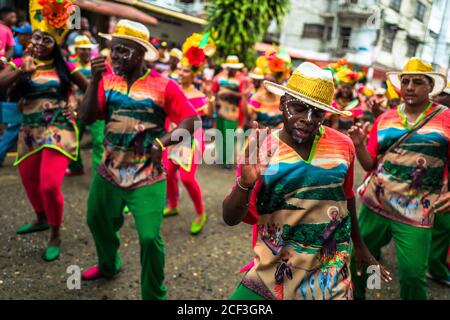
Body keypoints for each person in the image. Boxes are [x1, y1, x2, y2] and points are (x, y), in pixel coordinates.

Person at [223, 62, 390, 300]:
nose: (308, 119)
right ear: (282, 104)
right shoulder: (261, 149)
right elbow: (230, 217)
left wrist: (360, 247)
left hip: (330, 273)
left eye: (318, 113)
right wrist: (245, 183)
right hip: (273, 268)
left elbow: (347, 198)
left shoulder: (343, 146)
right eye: (298, 108)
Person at [78, 19, 200, 300]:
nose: (116, 56)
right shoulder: (106, 80)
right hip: (109, 170)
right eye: (114, 50)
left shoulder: (164, 86)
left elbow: (192, 120)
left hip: (148, 174)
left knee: (149, 238)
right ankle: (109, 265)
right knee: (97, 221)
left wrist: (164, 141)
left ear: (141, 54)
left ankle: (154, 295)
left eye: (124, 51)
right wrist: (94, 79)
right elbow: (87, 117)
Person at [348, 57, 450, 299]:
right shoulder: (385, 119)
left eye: (418, 82)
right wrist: (360, 145)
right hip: (376, 203)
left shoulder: (446, 119)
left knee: (413, 273)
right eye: (405, 82)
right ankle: (363, 296)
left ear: (431, 87)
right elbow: (370, 164)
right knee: (361, 261)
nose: (410, 87)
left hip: (417, 209)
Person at [0, 0, 88, 261]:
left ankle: (55, 233)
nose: (39, 42)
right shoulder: (20, 62)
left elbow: (91, 88)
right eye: (37, 37)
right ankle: (40, 217)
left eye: (46, 40)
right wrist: (20, 72)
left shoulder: (65, 68)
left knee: (49, 185)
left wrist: (77, 105)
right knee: (29, 182)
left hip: (58, 129)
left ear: (56, 45)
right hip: (30, 130)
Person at [162, 34, 213, 235]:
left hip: (192, 138)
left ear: (194, 74)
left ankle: (200, 213)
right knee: (167, 172)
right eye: (180, 69)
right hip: (173, 134)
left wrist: (211, 98)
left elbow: (207, 115)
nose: (181, 73)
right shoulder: (172, 89)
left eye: (186, 70)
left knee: (187, 178)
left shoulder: (200, 96)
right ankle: (173, 204)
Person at [427, 80, 450, 287]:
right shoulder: (434, 119)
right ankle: (434, 267)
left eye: (443, 94)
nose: (436, 97)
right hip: (438, 185)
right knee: (442, 226)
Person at [66, 35, 99, 176]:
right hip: (76, 106)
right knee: (74, 137)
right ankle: (76, 166)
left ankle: (100, 174)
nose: (85, 52)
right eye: (82, 49)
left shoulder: (96, 64)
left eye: (87, 49)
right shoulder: (71, 65)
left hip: (95, 105)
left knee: (98, 139)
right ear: (77, 50)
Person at [212, 55, 247, 169]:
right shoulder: (220, 76)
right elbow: (214, 91)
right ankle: (219, 158)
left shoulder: (241, 79)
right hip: (220, 110)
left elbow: (243, 95)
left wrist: (229, 92)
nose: (232, 70)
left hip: (232, 112)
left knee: (230, 137)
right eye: (230, 67)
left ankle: (228, 162)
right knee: (219, 135)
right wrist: (215, 103)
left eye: (234, 68)